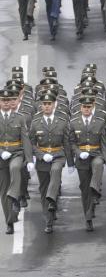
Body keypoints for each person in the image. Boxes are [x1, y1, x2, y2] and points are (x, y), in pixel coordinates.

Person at [29, 92, 74, 233]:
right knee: (43, 188)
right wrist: (40, 155)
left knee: (55, 171)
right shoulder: (36, 122)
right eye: (44, 104)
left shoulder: (61, 121)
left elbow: (66, 142)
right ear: (41, 105)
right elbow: (31, 143)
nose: (47, 106)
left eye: (49, 104)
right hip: (43, 159)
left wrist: (71, 162)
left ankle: (52, 198)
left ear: (54, 104)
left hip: (58, 156)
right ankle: (48, 220)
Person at [70, 95, 106, 231]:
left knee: (98, 164)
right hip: (82, 157)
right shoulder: (74, 122)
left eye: (89, 107)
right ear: (80, 108)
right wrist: (78, 153)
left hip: (96, 154)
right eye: (84, 107)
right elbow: (72, 142)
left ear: (92, 107)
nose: (86, 109)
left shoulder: (99, 122)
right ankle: (88, 217)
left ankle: (95, 191)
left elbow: (104, 143)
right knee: (84, 188)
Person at [0, 89, 33, 235]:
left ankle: (14, 197)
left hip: (16, 154)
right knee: (3, 190)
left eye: (9, 100)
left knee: (15, 168)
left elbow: (25, 139)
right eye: (3, 100)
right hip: (1, 156)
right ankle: (10, 221)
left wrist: (29, 159)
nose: (6, 103)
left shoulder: (20, 118)